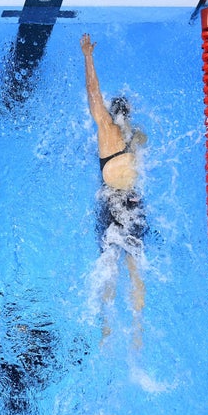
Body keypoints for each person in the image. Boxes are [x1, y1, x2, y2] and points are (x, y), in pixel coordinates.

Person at [80, 34, 148, 347]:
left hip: (114, 203)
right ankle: (136, 328)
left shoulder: (108, 130)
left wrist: (87, 56)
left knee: (111, 264)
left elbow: (93, 93)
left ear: (112, 112)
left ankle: (107, 327)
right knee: (134, 265)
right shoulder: (134, 137)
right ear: (128, 113)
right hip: (132, 203)